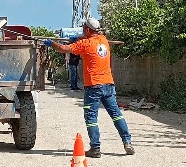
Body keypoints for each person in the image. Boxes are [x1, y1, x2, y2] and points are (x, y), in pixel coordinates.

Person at [47, 18, 134, 157]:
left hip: (93, 86)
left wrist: (51, 43)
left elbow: (63, 49)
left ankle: (95, 148)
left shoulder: (85, 44)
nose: (82, 30)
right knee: (116, 114)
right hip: (108, 84)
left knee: (91, 117)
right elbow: (89, 37)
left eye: (83, 28)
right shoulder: (103, 40)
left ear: (87, 29)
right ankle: (127, 142)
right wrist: (77, 38)